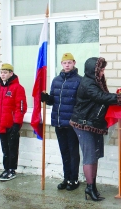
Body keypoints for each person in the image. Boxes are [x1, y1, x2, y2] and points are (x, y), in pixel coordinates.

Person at [69, 57, 121, 201]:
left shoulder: (96, 82)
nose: (103, 72)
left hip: (94, 123)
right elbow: (101, 97)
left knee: (95, 155)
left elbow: (105, 96)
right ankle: (89, 187)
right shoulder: (88, 83)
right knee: (90, 156)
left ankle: (92, 186)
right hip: (84, 124)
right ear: (93, 70)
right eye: (101, 69)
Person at [41, 53, 82, 191]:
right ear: (62, 64)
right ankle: (66, 178)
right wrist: (46, 98)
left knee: (73, 151)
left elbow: (80, 103)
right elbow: (53, 100)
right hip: (58, 122)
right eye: (65, 63)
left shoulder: (79, 81)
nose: (67, 65)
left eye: (69, 62)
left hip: (71, 123)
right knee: (64, 151)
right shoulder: (56, 80)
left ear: (74, 63)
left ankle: (74, 179)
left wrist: (75, 119)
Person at [0, 63, 27, 181]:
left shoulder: (18, 88)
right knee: (5, 149)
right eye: (1, 72)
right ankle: (6, 169)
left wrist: (17, 124)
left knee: (12, 148)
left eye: (5, 72)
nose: (3, 75)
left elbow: (20, 108)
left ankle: (12, 170)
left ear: (11, 73)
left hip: (12, 125)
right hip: (1, 124)